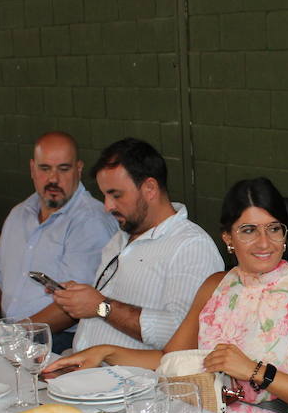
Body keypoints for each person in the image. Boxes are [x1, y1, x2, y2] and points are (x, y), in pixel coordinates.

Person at [43, 178, 288, 413]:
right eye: (249, 230)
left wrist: (255, 371)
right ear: (228, 237)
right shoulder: (216, 285)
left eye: (274, 228)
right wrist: (105, 353)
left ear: (285, 234)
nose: (264, 242)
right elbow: (170, 360)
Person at [52, 137, 222, 351]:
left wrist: (101, 307)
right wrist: (78, 298)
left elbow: (181, 336)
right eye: (104, 195)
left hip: (135, 382)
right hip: (82, 370)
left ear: (150, 188)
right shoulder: (121, 236)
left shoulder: (191, 246)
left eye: (116, 195)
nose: (107, 206)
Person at [0, 132, 115, 351]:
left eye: (63, 169)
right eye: (45, 169)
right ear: (32, 169)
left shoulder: (91, 222)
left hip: (58, 340)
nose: (53, 179)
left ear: (78, 169)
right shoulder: (19, 214)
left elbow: (74, 307)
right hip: (12, 333)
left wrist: (13, 335)